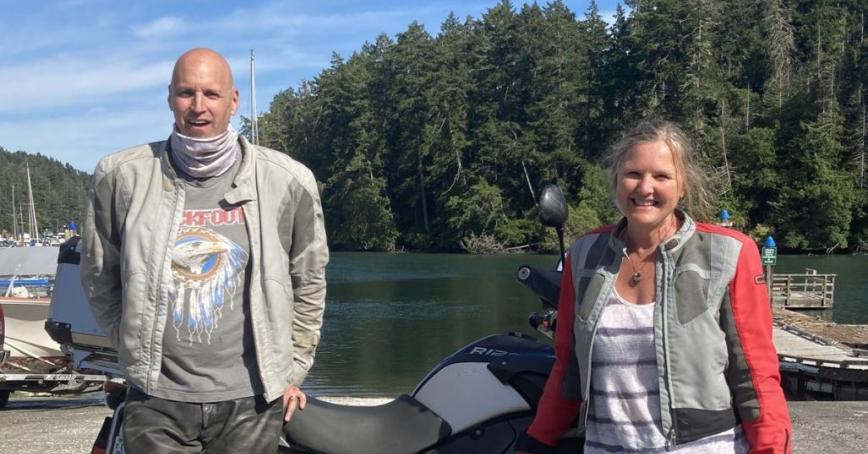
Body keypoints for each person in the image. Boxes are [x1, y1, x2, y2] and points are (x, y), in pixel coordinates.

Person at [80, 48, 329, 453]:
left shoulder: (286, 181)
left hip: (252, 400)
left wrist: (293, 369)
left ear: (233, 101)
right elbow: (98, 275)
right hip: (157, 398)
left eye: (211, 94)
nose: (198, 107)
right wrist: (132, 348)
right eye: (186, 93)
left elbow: (310, 280)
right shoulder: (121, 176)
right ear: (169, 98)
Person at [516, 120, 791, 453]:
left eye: (661, 176)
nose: (645, 188)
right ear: (616, 179)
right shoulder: (585, 254)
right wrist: (537, 439)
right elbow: (568, 365)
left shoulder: (729, 254)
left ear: (683, 185)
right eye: (633, 173)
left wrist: (773, 448)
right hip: (607, 446)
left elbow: (755, 374)